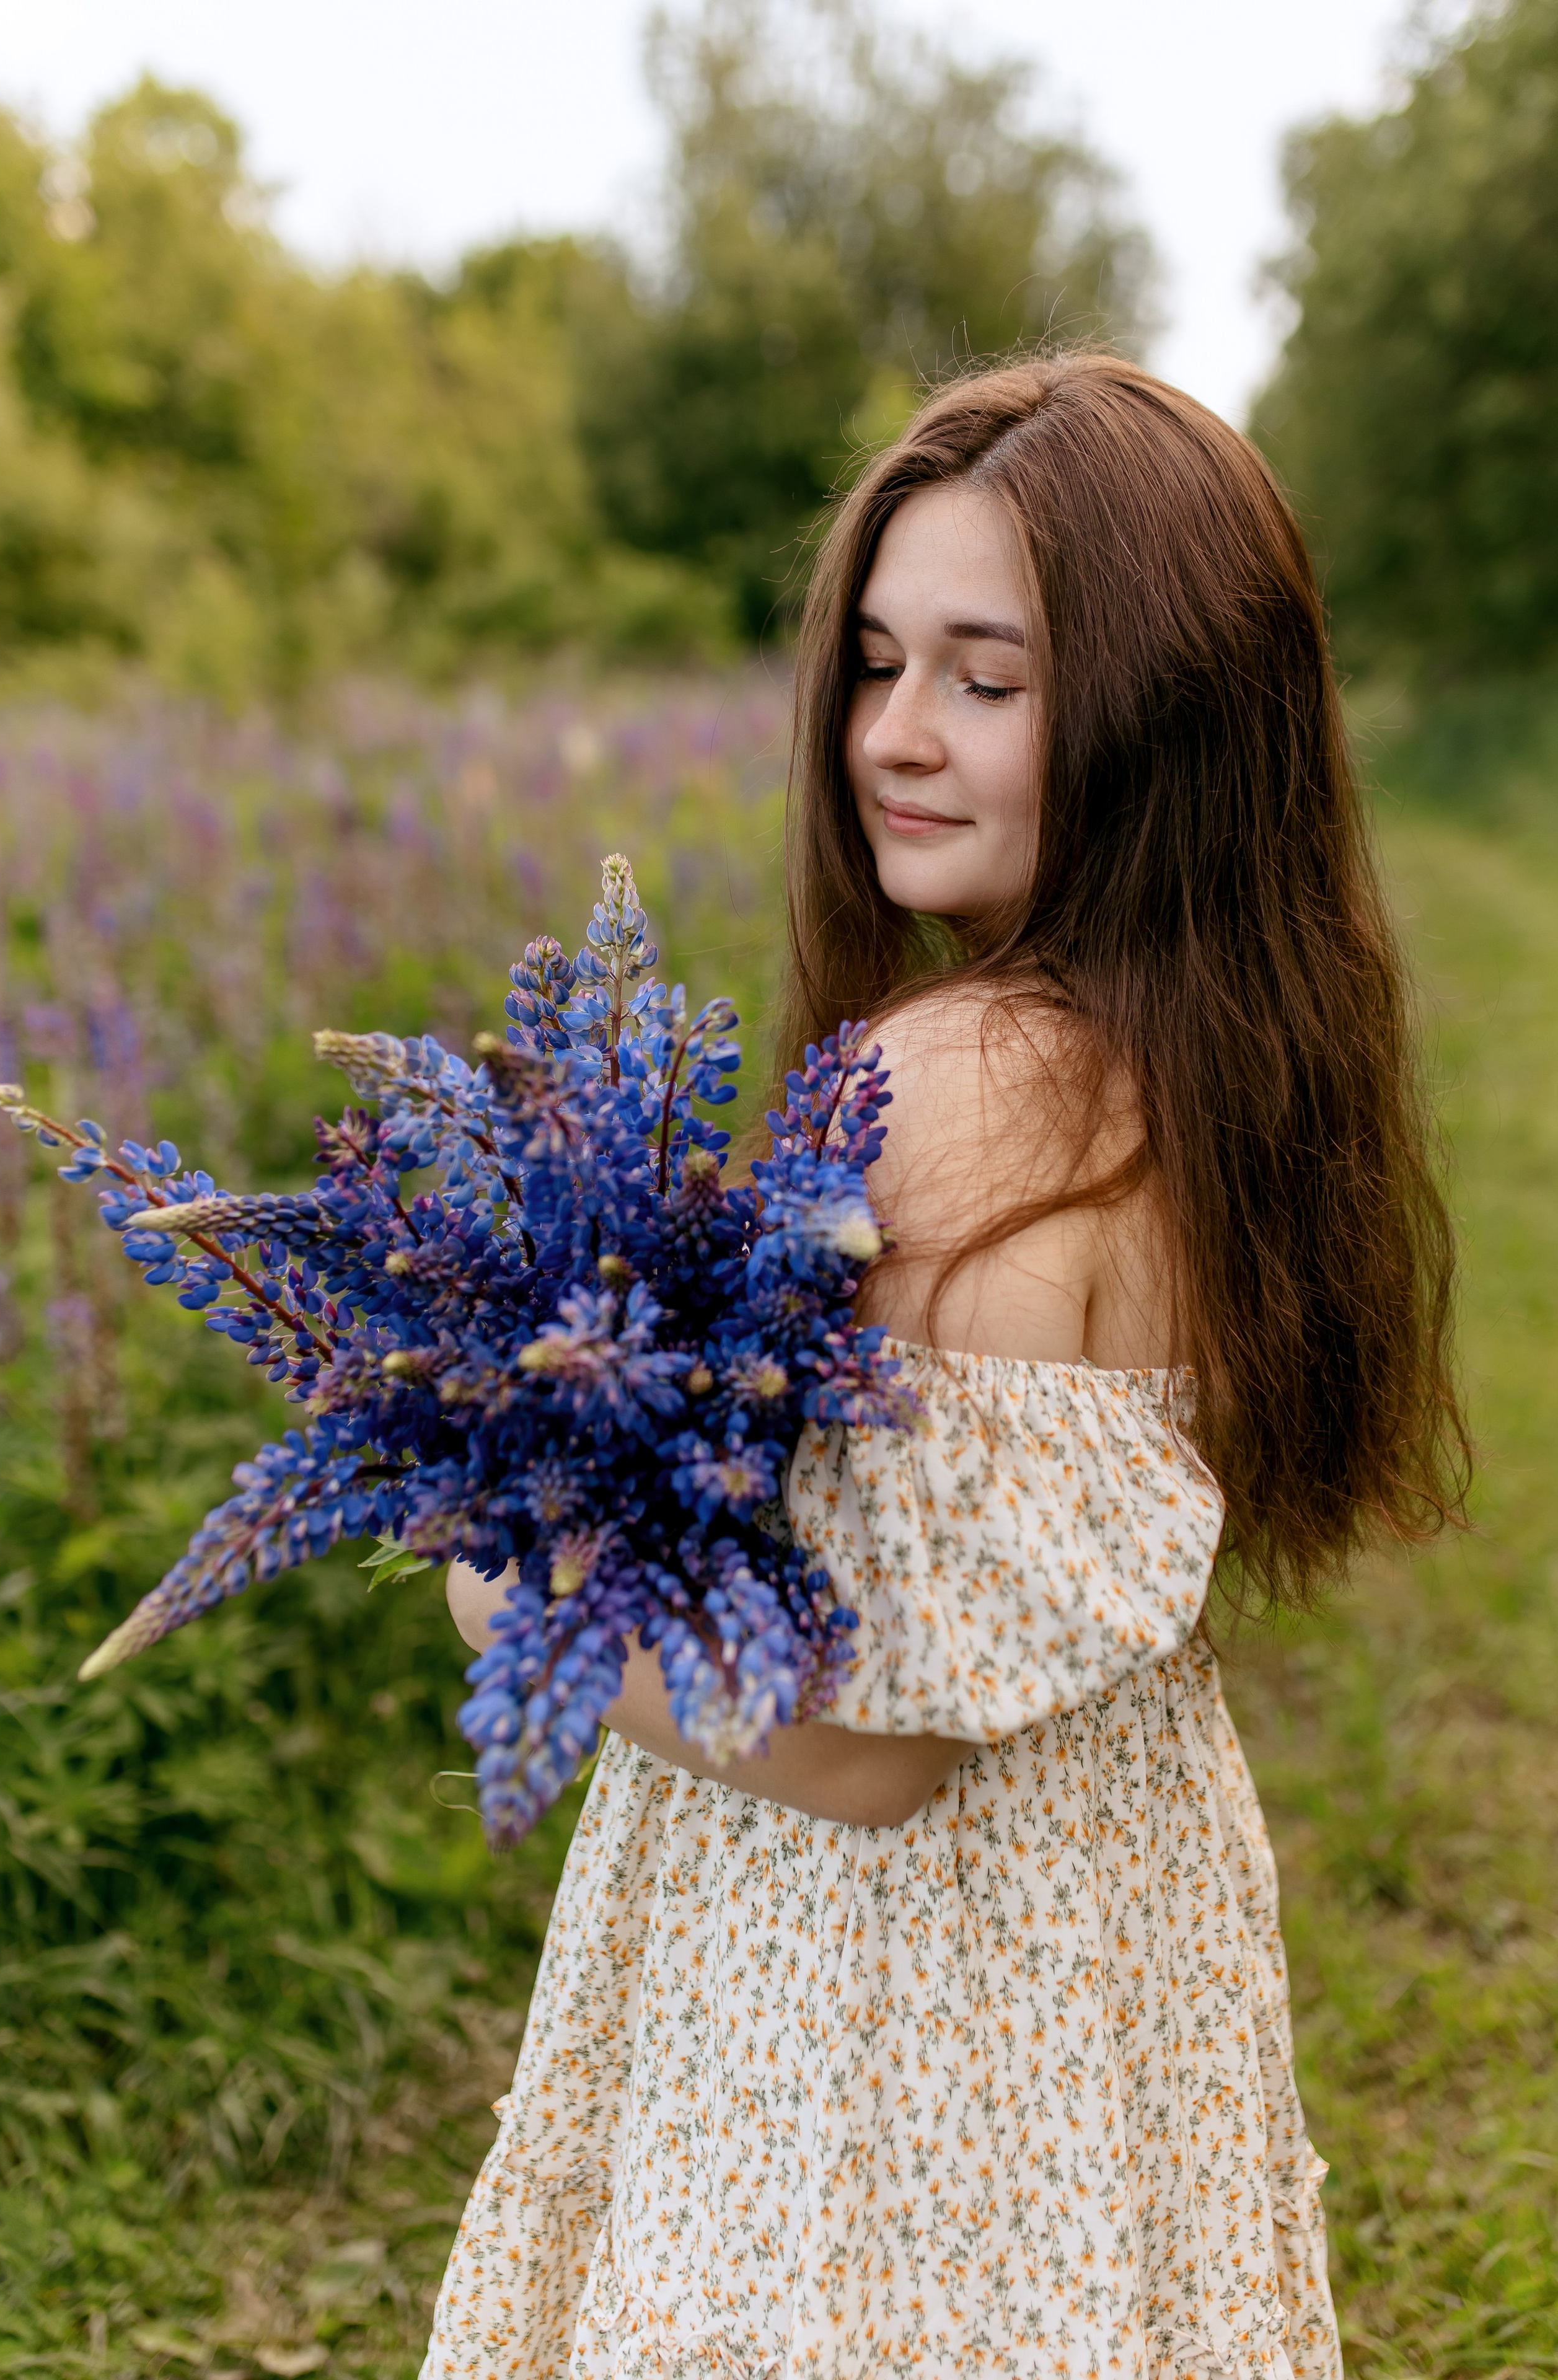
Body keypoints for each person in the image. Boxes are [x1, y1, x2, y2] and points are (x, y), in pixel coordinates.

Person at [421, 352, 1466, 2380]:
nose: (895, 736)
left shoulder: (959, 1088)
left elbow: (869, 1742)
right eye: (881, 663)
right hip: (1092, 1971)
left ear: (1165, 718)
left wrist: (505, 1578)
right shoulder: (1213, 1065)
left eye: (990, 680)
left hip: (894, 2037)